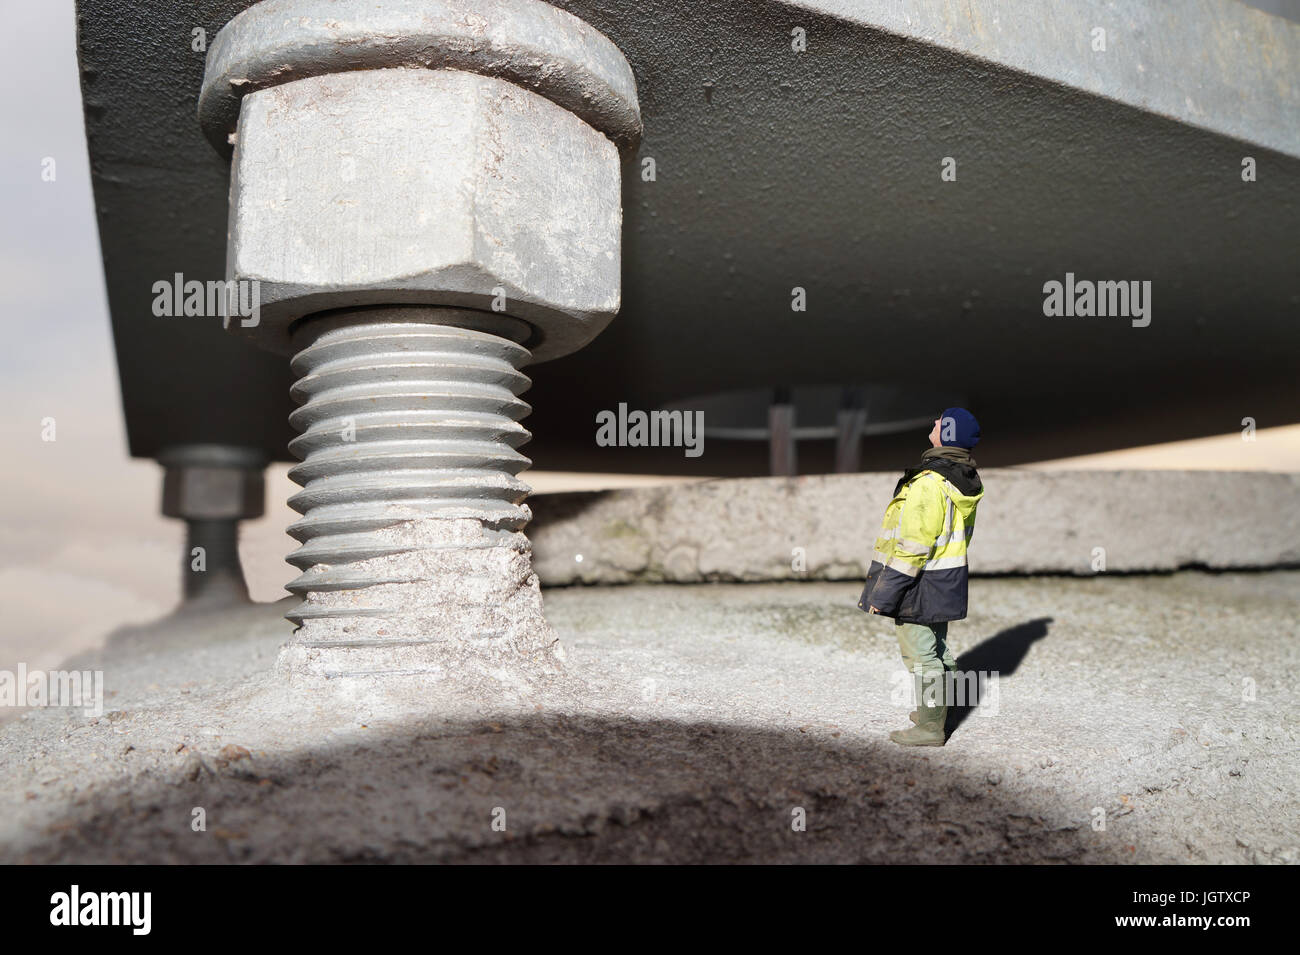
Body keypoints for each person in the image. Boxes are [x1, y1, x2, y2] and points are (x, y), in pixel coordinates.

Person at [858, 408, 984, 746]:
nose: (932, 424)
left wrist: (883, 594)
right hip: (946, 579)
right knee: (938, 649)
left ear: (947, 433)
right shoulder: (961, 477)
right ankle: (939, 710)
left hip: (920, 582)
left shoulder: (929, 483)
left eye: (939, 422)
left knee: (921, 655)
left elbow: (913, 546)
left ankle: (930, 728)